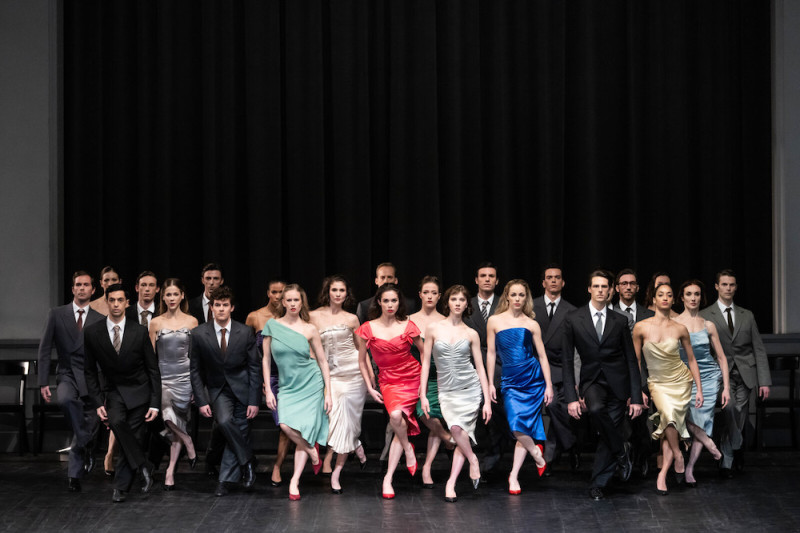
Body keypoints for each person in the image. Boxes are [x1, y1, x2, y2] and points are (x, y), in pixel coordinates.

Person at [562, 270, 643, 501]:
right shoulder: (573, 318)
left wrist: (636, 397)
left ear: (610, 291)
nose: (600, 290)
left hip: (618, 383)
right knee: (596, 410)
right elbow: (568, 360)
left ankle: (598, 483)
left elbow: (630, 360)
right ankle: (621, 450)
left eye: (604, 287)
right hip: (592, 381)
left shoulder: (620, 320)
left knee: (610, 432)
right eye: (596, 286)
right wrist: (570, 397)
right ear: (589, 289)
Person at [84, 284, 161, 503]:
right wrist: (98, 400)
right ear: (106, 302)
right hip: (115, 391)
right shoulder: (92, 332)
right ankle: (144, 465)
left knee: (134, 437)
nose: (116, 304)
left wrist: (155, 403)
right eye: (112, 300)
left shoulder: (138, 331)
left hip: (140, 390)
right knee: (116, 422)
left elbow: (152, 369)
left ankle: (120, 487)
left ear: (127, 303)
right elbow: (89, 370)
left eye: (120, 300)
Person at [420, 285, 492, 502]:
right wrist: (423, 394)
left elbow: (480, 367)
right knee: (456, 429)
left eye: (462, 299)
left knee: (460, 431)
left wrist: (487, 401)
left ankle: (451, 483)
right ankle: (473, 460)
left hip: (469, 389)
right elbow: (425, 363)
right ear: (448, 302)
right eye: (454, 299)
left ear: (466, 305)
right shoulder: (433, 328)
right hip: (447, 391)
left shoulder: (471, 333)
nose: (458, 303)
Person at [632, 282, 703, 495]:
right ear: (653, 299)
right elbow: (635, 361)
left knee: (667, 425)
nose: (664, 298)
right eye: (660, 294)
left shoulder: (680, 328)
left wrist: (699, 388)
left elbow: (691, 360)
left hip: (681, 381)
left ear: (673, 300)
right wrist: (638, 390)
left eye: (669, 295)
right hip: (657, 383)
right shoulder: (640, 327)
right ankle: (679, 454)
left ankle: (662, 475)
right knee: (669, 417)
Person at [190, 286, 261, 497]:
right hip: (218, 389)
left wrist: (255, 400)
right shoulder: (199, 333)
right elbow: (195, 370)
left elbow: (254, 367)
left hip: (243, 387)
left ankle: (225, 480)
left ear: (232, 308)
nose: (221, 309)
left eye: (225, 305)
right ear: (211, 308)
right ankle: (248, 460)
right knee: (224, 422)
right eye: (217, 305)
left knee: (237, 430)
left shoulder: (245, 331)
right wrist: (201, 400)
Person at [263, 284, 332, 500]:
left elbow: (322, 361)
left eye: (296, 300)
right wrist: (267, 390)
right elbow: (265, 360)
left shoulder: (309, 328)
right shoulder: (272, 325)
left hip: (311, 383)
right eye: (289, 300)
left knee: (304, 431)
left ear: (302, 303)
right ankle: (312, 451)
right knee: (284, 424)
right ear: (282, 302)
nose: (293, 304)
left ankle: (294, 481)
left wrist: (328, 392)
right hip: (287, 387)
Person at [700, 269, 771, 477]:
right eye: (724, 284)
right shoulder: (705, 315)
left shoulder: (746, 315)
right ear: (716, 286)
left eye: (731, 285)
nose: (728, 288)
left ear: (736, 287)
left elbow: (758, 348)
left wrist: (764, 381)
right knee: (729, 406)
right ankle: (735, 447)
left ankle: (726, 459)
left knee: (740, 412)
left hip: (746, 372)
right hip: (721, 373)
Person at [37, 271, 104, 492]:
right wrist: (43, 381)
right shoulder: (57, 314)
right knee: (65, 401)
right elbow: (45, 348)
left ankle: (74, 476)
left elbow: (104, 356)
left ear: (93, 290)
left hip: (91, 377)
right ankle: (86, 443)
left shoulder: (99, 319)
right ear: (73, 289)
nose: (82, 288)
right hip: (66, 373)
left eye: (86, 285)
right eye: (78, 284)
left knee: (87, 422)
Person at [486, 280, 553, 495]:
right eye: (513, 295)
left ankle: (513, 475)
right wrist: (489, 383)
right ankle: (536, 453)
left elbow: (542, 356)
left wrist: (549, 385)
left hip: (532, 379)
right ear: (507, 296)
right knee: (516, 424)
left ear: (526, 298)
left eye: (521, 295)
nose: (517, 299)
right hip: (510, 380)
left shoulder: (532, 323)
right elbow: (491, 353)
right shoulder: (494, 321)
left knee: (522, 428)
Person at [356, 283, 422, 499]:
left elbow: (426, 352)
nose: (390, 304)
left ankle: (388, 479)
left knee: (397, 424)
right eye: (386, 300)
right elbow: (362, 360)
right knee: (395, 417)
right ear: (379, 302)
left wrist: (427, 382)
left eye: (394, 300)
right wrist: (369, 386)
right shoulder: (367, 327)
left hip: (413, 377)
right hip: (389, 381)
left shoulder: (408, 325)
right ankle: (409, 450)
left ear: (399, 302)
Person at [309, 276, 367, 493]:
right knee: (336, 422)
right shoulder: (313, 316)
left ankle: (336, 474)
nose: (338, 294)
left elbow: (361, 351)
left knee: (348, 422)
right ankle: (356, 444)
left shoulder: (352, 318)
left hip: (353, 374)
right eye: (334, 289)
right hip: (330, 375)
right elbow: (311, 349)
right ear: (328, 291)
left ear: (346, 293)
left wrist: (369, 379)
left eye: (342, 290)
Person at [674, 280, 731, 486]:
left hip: (708, 378)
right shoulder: (675, 323)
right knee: (678, 416)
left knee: (702, 419)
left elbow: (722, 358)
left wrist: (726, 387)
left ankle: (690, 468)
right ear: (682, 297)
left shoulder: (709, 325)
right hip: (682, 378)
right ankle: (709, 442)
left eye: (696, 294)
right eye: (688, 294)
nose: (693, 298)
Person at [148, 278, 199, 490]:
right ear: (163, 297)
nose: (171, 298)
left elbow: (195, 356)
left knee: (178, 422)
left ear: (182, 296)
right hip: (163, 377)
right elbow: (150, 356)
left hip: (185, 378)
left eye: (175, 294)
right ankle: (189, 442)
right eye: (167, 295)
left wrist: (196, 385)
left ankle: (170, 471)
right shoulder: (155, 323)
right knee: (168, 416)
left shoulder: (192, 322)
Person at [462, 261, 508, 475]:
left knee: (496, 414)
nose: (487, 279)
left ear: (497, 280)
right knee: (475, 414)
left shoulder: (505, 303)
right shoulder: (465, 303)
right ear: (476, 280)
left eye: (491, 276)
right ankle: (476, 459)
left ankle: (494, 459)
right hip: (470, 366)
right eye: (483, 275)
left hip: (499, 365)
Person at [532, 264, 578, 473]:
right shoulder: (530, 308)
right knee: (549, 409)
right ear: (543, 282)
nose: (553, 281)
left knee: (555, 407)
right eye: (549, 277)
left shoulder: (572, 311)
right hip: (534, 370)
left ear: (563, 282)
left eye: (557, 277)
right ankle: (570, 444)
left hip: (561, 371)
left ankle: (551, 453)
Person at [245, 280, 291, 486]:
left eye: (282, 292)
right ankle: (245, 462)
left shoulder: (291, 316)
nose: (278, 296)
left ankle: (277, 466)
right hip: (266, 376)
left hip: (290, 376)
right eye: (274, 292)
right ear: (268, 293)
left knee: (287, 424)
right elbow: (247, 350)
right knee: (281, 420)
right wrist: (260, 380)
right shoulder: (255, 316)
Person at [409, 276, 453, 488]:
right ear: (420, 294)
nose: (429, 296)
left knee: (433, 414)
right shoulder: (409, 320)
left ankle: (427, 467)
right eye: (425, 292)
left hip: (439, 376)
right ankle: (448, 439)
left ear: (439, 296)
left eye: (433, 293)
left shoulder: (445, 320)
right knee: (424, 412)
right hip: (412, 375)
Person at [613, 268, 655, 477]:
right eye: (624, 283)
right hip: (618, 376)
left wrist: (642, 386)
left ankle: (642, 454)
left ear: (637, 287)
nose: (628, 287)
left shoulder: (650, 315)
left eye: (632, 283)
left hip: (646, 376)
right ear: (617, 287)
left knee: (643, 415)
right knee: (622, 416)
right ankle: (626, 453)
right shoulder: (609, 313)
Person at [187, 263, 227, 477]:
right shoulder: (191, 305)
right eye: (208, 278)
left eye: (216, 279)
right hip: (195, 368)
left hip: (219, 372)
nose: (212, 283)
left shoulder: (226, 305)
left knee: (221, 417)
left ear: (221, 281)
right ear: (202, 280)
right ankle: (189, 454)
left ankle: (212, 458)